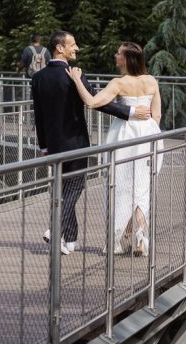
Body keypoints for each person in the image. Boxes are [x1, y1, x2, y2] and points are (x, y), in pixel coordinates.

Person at [31, 30, 151, 255]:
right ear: (60, 48)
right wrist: (132, 112)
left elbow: (38, 115)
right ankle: (56, 230)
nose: (76, 48)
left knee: (62, 191)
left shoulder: (38, 78)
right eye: (73, 45)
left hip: (54, 146)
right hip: (76, 144)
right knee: (74, 188)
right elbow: (98, 102)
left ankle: (71, 240)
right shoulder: (73, 74)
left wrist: (44, 146)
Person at [68, 41, 161, 257]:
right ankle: (141, 236)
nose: (115, 55)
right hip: (148, 133)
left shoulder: (119, 83)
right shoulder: (151, 81)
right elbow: (156, 114)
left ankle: (119, 240)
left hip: (125, 135)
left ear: (126, 59)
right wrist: (148, 129)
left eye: (118, 53)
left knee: (120, 186)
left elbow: (91, 102)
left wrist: (76, 79)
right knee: (142, 187)